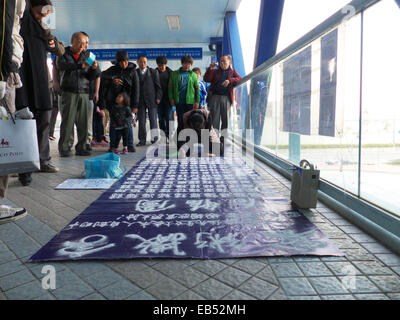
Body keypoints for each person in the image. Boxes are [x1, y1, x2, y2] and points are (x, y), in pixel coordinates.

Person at [16, 0, 65, 186]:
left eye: (45, 15)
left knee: (44, 120)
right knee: (23, 123)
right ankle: (21, 166)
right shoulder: (19, 21)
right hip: (22, 80)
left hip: (41, 81)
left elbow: (60, 50)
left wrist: (52, 43)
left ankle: (43, 160)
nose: (41, 17)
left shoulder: (43, 28)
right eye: (39, 13)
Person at [0, 0, 27, 222]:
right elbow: (4, 26)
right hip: (4, 69)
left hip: (7, 65)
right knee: (4, 135)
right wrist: (3, 71)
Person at [56, 32, 98, 157]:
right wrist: (80, 65)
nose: (83, 46)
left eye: (85, 43)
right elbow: (61, 66)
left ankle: (83, 147)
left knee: (84, 122)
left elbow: (92, 77)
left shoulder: (89, 55)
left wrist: (94, 69)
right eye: (80, 42)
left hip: (84, 92)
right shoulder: (63, 52)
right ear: (73, 41)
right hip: (68, 92)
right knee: (67, 121)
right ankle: (65, 148)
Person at [99, 50, 139, 152]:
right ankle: (113, 146)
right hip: (114, 103)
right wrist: (113, 79)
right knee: (113, 125)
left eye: (125, 61)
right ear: (117, 62)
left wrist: (135, 105)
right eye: (121, 62)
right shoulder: (112, 70)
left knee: (128, 124)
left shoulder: (132, 71)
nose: (124, 64)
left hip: (127, 103)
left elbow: (136, 89)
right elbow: (102, 77)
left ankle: (129, 145)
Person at [203, 55, 241, 137]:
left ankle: (223, 138)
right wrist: (210, 69)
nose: (222, 63)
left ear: (229, 62)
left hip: (226, 98)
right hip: (215, 97)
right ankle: (215, 137)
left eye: (224, 61)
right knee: (215, 119)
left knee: (225, 119)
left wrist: (229, 80)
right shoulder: (215, 71)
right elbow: (206, 79)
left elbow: (239, 79)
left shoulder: (233, 72)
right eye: (221, 61)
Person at [168, 55, 200, 149]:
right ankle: (179, 143)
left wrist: (197, 101)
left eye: (189, 64)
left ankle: (189, 141)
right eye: (186, 63)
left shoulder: (193, 75)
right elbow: (170, 88)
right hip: (179, 102)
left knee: (189, 122)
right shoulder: (174, 74)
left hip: (190, 102)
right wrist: (171, 99)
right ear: (182, 63)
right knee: (180, 121)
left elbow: (197, 89)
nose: (187, 66)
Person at [135, 56, 162, 146]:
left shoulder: (153, 72)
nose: (143, 64)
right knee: (141, 121)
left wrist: (158, 97)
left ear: (147, 63)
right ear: (137, 62)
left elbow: (158, 87)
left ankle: (154, 139)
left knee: (153, 120)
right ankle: (142, 140)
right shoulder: (135, 73)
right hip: (140, 100)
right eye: (141, 62)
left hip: (152, 99)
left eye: (145, 62)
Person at [155, 56, 173, 142]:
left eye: (163, 65)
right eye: (159, 65)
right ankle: (163, 136)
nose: (161, 67)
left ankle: (169, 135)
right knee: (161, 119)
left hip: (168, 99)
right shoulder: (154, 73)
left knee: (168, 118)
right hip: (158, 100)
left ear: (166, 64)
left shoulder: (171, 73)